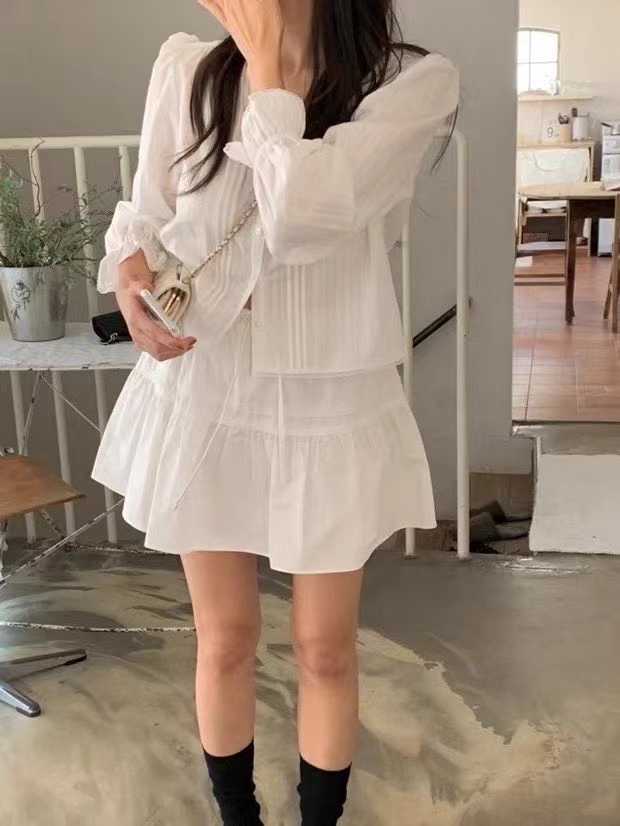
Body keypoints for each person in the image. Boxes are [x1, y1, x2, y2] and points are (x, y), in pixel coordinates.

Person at [91, 2, 459, 823]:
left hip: (327, 395)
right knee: (224, 640)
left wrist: (269, 75)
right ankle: (238, 817)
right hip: (207, 383)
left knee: (325, 651)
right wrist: (130, 273)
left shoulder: (408, 83)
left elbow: (304, 218)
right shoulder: (186, 67)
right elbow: (145, 214)